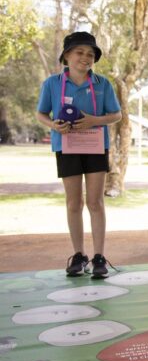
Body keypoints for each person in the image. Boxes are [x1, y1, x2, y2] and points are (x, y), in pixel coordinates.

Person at [36, 31, 121, 279]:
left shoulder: (102, 83)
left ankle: (99, 257)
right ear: (66, 56)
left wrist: (95, 120)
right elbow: (41, 114)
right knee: (74, 202)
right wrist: (53, 125)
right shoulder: (52, 84)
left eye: (90, 54)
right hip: (67, 147)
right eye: (79, 52)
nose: (85, 58)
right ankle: (79, 255)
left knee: (95, 202)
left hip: (96, 146)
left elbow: (116, 115)